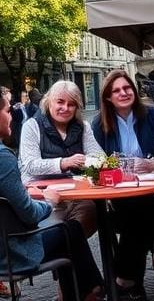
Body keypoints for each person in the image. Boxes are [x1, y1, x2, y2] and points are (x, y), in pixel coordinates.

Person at [0, 84, 104, 301]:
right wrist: (49, 203)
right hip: (5, 256)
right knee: (71, 230)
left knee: (66, 234)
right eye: (8, 111)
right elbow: (29, 213)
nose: (12, 117)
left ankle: (85, 293)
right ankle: (94, 290)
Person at [90, 69, 154, 299]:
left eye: (127, 87)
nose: (124, 93)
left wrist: (152, 163)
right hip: (119, 197)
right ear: (108, 98)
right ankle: (132, 282)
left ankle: (122, 280)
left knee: (138, 214)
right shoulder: (99, 125)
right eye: (117, 90)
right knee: (135, 216)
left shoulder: (153, 116)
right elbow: (96, 163)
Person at [19, 80, 101, 237]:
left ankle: (67, 250)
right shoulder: (32, 126)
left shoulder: (83, 126)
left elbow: (100, 157)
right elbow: (30, 165)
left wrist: (89, 161)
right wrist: (64, 162)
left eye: (71, 104)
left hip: (76, 197)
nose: (65, 108)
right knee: (63, 235)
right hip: (41, 197)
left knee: (92, 211)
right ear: (49, 101)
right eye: (60, 102)